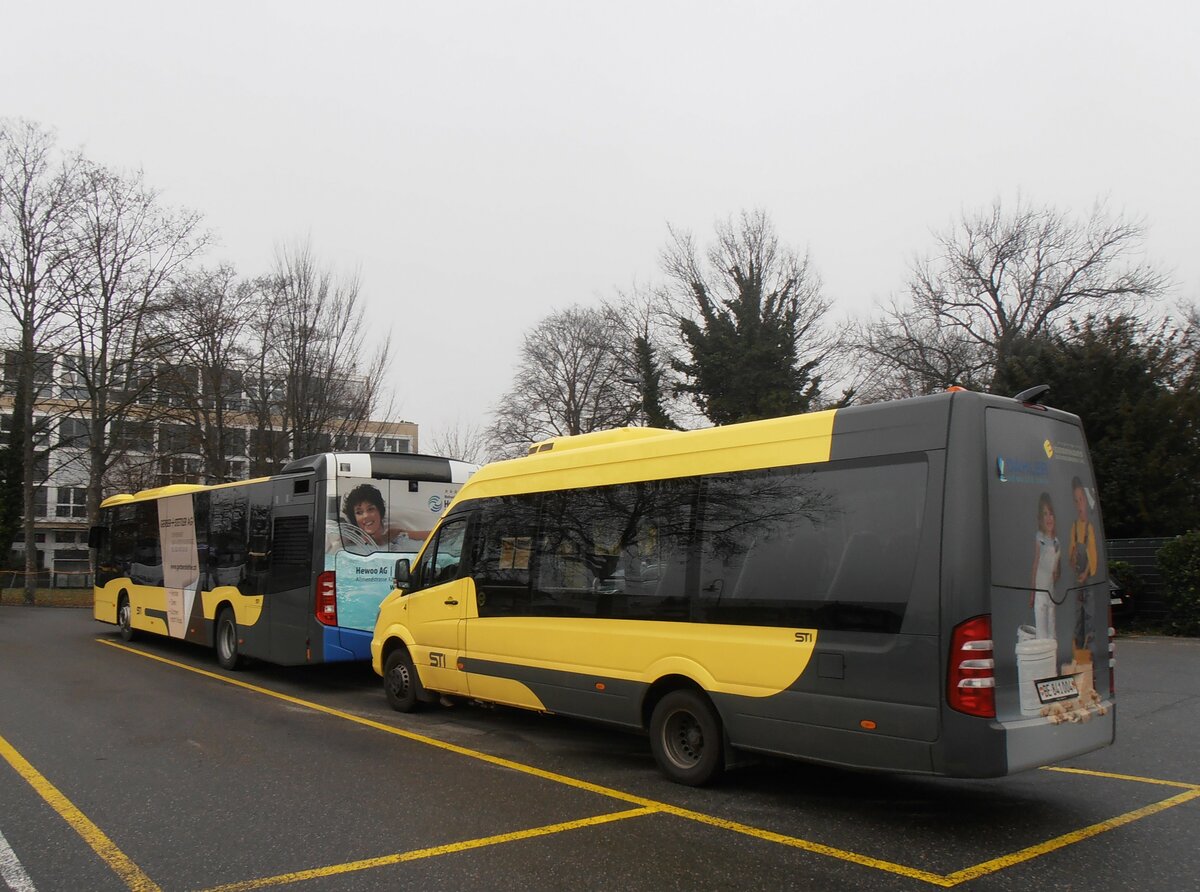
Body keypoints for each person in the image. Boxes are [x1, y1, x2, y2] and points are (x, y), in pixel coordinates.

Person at [1068, 476, 1098, 649]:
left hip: (1087, 578)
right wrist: (1073, 565)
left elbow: (1092, 556)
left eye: (1081, 500)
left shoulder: (1089, 528)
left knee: (1089, 614)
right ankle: (1078, 648)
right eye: (1076, 500)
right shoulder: (1074, 526)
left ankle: (1090, 647)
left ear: (1086, 501)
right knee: (1078, 615)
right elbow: (1071, 552)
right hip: (1077, 578)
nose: (1079, 505)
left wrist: (1085, 574)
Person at [1029, 492, 1061, 641]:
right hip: (1040, 591)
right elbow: (1036, 563)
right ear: (1041, 518)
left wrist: (1055, 574)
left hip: (1050, 593)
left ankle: (1051, 658)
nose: (1048, 518)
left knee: (1052, 630)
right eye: (1045, 514)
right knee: (1041, 631)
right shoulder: (1039, 537)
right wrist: (1032, 592)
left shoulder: (1057, 543)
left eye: (1051, 514)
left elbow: (1055, 569)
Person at [342, 483, 404, 548]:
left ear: (380, 510)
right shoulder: (351, 546)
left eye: (370, 509)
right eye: (359, 512)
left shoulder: (394, 534)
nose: (366, 516)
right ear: (354, 518)